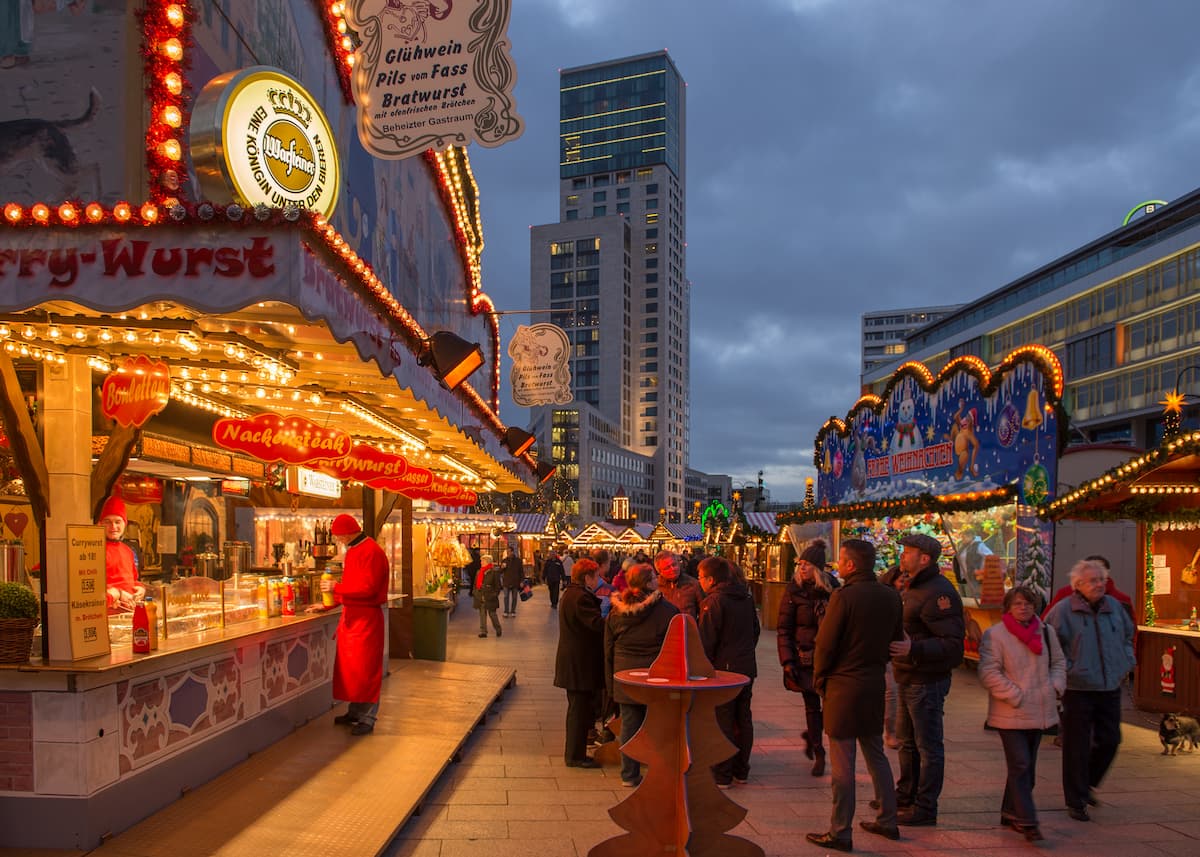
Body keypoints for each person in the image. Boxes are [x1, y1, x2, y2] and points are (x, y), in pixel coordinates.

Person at [805, 538, 904, 853]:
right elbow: (894, 639)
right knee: (876, 754)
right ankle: (889, 819)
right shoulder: (891, 596)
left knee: (843, 764)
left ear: (850, 565)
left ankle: (840, 831)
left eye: (841, 560)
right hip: (873, 682)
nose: (837, 564)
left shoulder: (843, 597)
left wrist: (820, 678)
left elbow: (826, 643)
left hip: (843, 686)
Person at [1044, 557, 1136, 821]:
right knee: (1076, 745)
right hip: (1077, 688)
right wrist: (1067, 670)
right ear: (1078, 584)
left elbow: (1128, 635)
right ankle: (1076, 800)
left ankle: (1087, 784)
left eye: (1102, 580)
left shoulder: (1115, 607)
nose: (1099, 585)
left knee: (1111, 740)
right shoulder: (1063, 610)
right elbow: (1049, 642)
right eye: (1093, 581)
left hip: (1109, 685)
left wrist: (1126, 661)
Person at [978, 585, 1066, 842]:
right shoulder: (996, 635)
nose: (1024, 607)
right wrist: (1015, 694)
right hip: (1011, 711)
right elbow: (989, 671)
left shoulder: (1046, 632)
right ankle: (1027, 820)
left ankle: (1010, 811)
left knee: (1027, 766)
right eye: (1017, 603)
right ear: (1008, 607)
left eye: (1028, 603)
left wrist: (1055, 687)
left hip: (1040, 710)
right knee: (1021, 764)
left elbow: (1059, 663)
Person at [889, 532, 965, 826]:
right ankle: (905, 794)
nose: (902, 556)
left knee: (928, 745)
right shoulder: (911, 586)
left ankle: (925, 806)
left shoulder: (938, 593)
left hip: (926, 680)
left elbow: (952, 645)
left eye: (907, 552)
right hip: (907, 675)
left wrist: (914, 648)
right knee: (907, 742)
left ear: (925, 558)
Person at [309, 514, 389, 736]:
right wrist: (327, 605)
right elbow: (352, 587)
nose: (338, 540)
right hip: (352, 619)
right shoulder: (354, 551)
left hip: (366, 621)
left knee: (366, 672)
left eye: (338, 536)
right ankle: (355, 711)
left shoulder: (371, 551)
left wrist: (336, 588)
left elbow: (368, 589)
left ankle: (369, 717)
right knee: (351, 671)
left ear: (347, 532)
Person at [604, 562, 679, 787]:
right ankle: (659, 769)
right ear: (648, 583)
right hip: (656, 675)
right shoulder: (667, 611)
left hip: (624, 675)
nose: (658, 580)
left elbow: (608, 647)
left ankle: (629, 774)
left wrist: (610, 680)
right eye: (654, 578)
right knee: (658, 724)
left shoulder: (616, 610)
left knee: (629, 724)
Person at [698, 555, 760, 788]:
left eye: (701, 577)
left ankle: (723, 773)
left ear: (711, 579)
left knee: (723, 719)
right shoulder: (745, 597)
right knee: (743, 718)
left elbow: (706, 640)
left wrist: (707, 667)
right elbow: (755, 630)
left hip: (723, 669)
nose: (699, 581)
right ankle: (741, 770)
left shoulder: (714, 601)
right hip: (745, 667)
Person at [777, 538, 837, 776]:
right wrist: (787, 660)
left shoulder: (833, 590)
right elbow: (784, 629)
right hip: (805, 658)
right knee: (812, 706)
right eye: (800, 563)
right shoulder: (793, 590)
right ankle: (818, 750)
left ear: (818, 568)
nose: (802, 568)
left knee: (830, 707)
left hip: (829, 658)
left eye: (807, 564)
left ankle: (814, 735)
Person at [554, 557, 606, 769]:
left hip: (574, 662)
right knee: (579, 710)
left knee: (578, 708)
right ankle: (575, 756)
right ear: (588, 577)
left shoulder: (571, 594)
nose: (599, 580)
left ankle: (576, 753)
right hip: (579, 663)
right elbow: (596, 625)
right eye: (597, 576)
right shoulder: (581, 598)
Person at [1042, 555, 1135, 625]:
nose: (1099, 584)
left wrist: (1126, 651)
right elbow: (1046, 627)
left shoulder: (1121, 602)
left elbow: (1129, 634)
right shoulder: (1064, 599)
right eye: (1093, 579)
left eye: (1100, 578)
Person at [877, 565, 911, 748]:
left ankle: (893, 731)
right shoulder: (889, 597)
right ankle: (889, 732)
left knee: (893, 691)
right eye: (901, 580)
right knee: (891, 691)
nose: (904, 583)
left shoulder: (910, 596)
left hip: (902, 649)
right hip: (889, 650)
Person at [99, 496, 144, 614]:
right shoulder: (95, 550)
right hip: (106, 616)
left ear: (125, 524)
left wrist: (140, 588)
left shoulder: (128, 551)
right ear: (100, 524)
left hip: (128, 613)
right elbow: (92, 590)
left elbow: (133, 579)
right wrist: (118, 594)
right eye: (107, 522)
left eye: (117, 522)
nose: (113, 527)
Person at [654, 550, 703, 618]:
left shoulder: (693, 584)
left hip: (687, 627)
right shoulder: (654, 587)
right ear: (660, 571)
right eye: (667, 568)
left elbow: (703, 611)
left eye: (674, 564)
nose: (673, 569)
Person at [473, 553, 502, 638]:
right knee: (482, 614)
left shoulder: (494, 572)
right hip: (480, 596)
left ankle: (498, 629)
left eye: (482, 561)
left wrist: (494, 594)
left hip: (490, 597)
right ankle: (483, 631)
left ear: (488, 562)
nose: (481, 562)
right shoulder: (479, 572)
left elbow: (498, 586)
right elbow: (475, 584)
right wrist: (475, 592)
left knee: (492, 614)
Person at [500, 547, 524, 617]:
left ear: (513, 552)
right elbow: (500, 572)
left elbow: (521, 572)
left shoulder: (518, 561)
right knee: (506, 597)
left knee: (514, 597)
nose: (508, 553)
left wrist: (522, 581)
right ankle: (506, 611)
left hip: (515, 582)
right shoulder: (504, 561)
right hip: (506, 582)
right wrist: (502, 568)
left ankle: (513, 611)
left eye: (509, 552)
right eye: (507, 552)